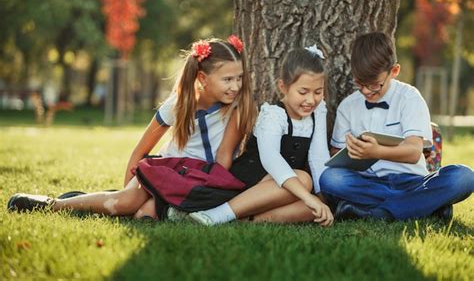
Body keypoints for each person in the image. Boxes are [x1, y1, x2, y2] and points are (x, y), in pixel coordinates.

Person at [7, 36, 256, 220]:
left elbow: (223, 162)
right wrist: (128, 188)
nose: (235, 86)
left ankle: (89, 201)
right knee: (125, 203)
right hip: (168, 171)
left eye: (239, 78)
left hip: (202, 181)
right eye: (227, 79)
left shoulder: (236, 107)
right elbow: (141, 150)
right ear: (202, 78)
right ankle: (52, 205)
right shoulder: (178, 105)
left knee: (142, 218)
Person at [319, 32, 474, 221]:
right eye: (360, 84)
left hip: (411, 182)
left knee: (464, 177)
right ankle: (426, 207)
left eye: (375, 85)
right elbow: (336, 152)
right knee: (330, 179)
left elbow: (413, 152)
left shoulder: (409, 98)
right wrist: (352, 152)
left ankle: (378, 213)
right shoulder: (348, 106)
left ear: (394, 71)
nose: (367, 91)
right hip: (368, 183)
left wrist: (375, 152)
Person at [175, 45, 334, 227]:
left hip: (282, 188)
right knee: (304, 180)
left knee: (311, 209)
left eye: (318, 92)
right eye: (303, 92)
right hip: (250, 181)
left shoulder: (318, 110)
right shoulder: (273, 114)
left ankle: (245, 219)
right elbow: (271, 159)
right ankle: (218, 214)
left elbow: (318, 155)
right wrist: (306, 196)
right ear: (283, 86)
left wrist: (321, 198)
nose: (311, 100)